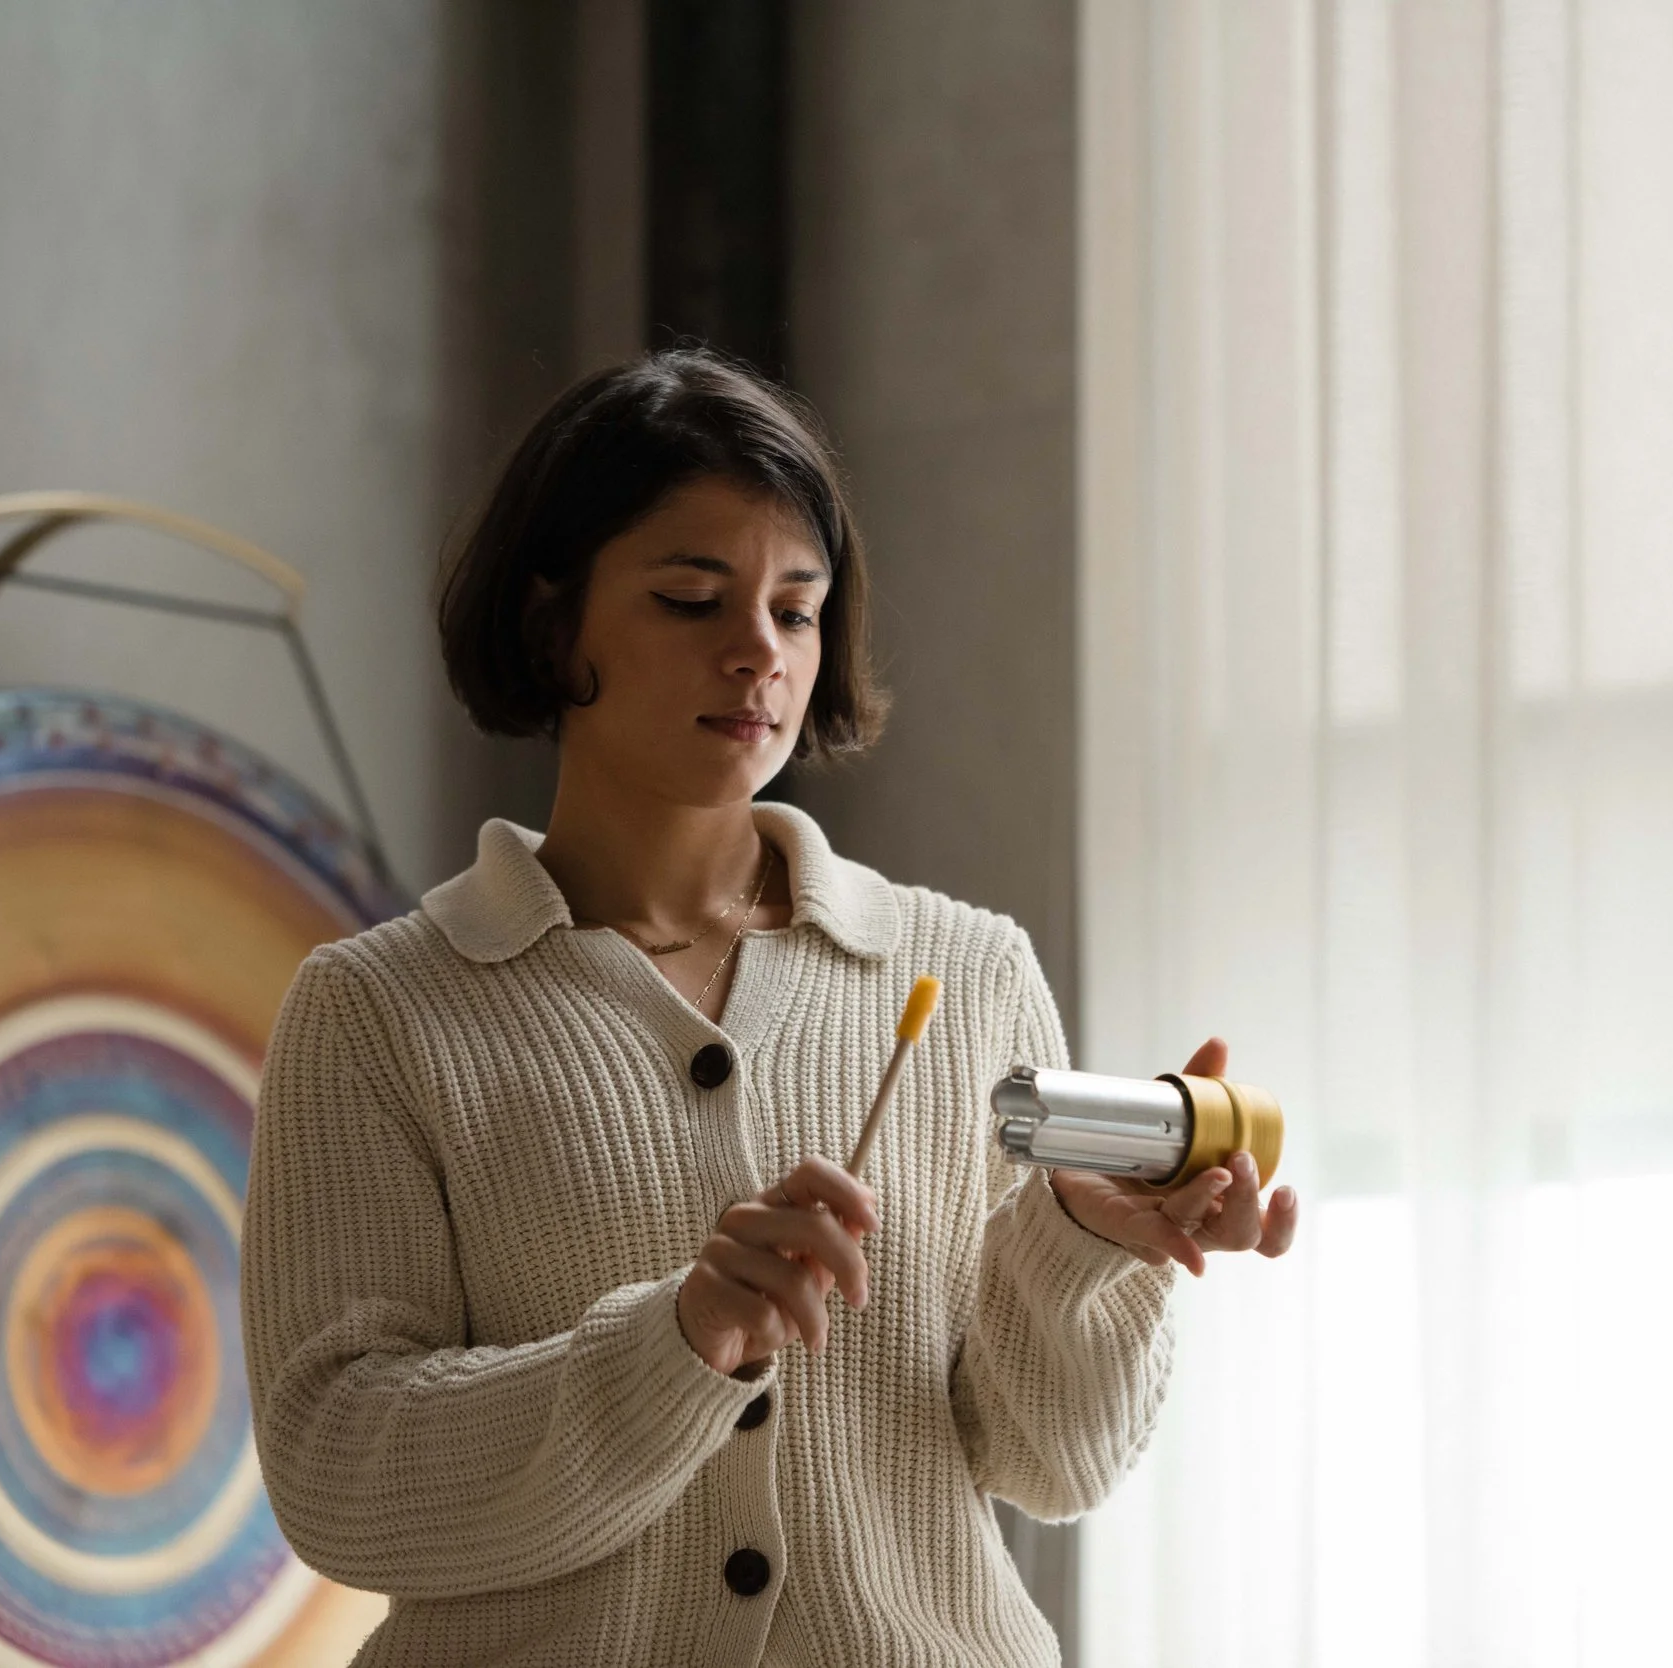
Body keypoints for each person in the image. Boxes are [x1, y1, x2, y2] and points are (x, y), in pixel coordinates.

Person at [237, 347, 1298, 1667]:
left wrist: (1083, 1241)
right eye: (693, 599)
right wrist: (676, 1343)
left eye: (797, 611)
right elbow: (343, 1479)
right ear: (550, 622)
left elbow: (1055, 1464)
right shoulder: (382, 1013)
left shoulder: (963, 975)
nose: (758, 653)